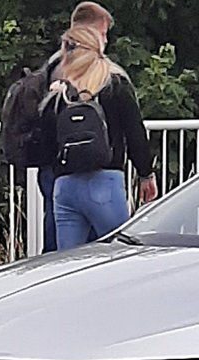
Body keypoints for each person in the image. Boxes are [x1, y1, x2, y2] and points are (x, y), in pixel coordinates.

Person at [44, 24, 157, 250]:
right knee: (119, 256)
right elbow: (135, 132)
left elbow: (48, 144)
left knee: (67, 265)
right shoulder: (115, 85)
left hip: (65, 187)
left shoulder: (58, 94)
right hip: (105, 183)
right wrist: (146, 173)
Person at [37, 2, 117, 253]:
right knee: (110, 250)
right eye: (102, 33)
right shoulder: (99, 72)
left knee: (60, 251)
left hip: (56, 173)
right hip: (92, 172)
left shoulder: (51, 67)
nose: (105, 41)